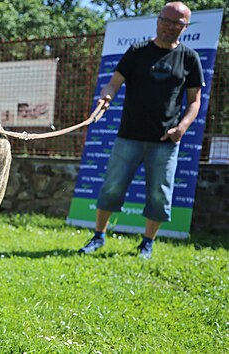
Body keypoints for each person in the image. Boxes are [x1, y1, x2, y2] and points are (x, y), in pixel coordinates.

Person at [78, 2, 203, 259]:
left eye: (177, 23)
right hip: (128, 137)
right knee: (111, 189)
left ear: (185, 27)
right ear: (157, 20)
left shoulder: (189, 58)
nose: (170, 27)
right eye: (166, 21)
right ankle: (98, 236)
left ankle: (147, 243)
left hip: (165, 141)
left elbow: (194, 101)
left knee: (159, 195)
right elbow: (113, 84)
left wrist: (182, 127)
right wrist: (106, 97)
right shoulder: (137, 51)